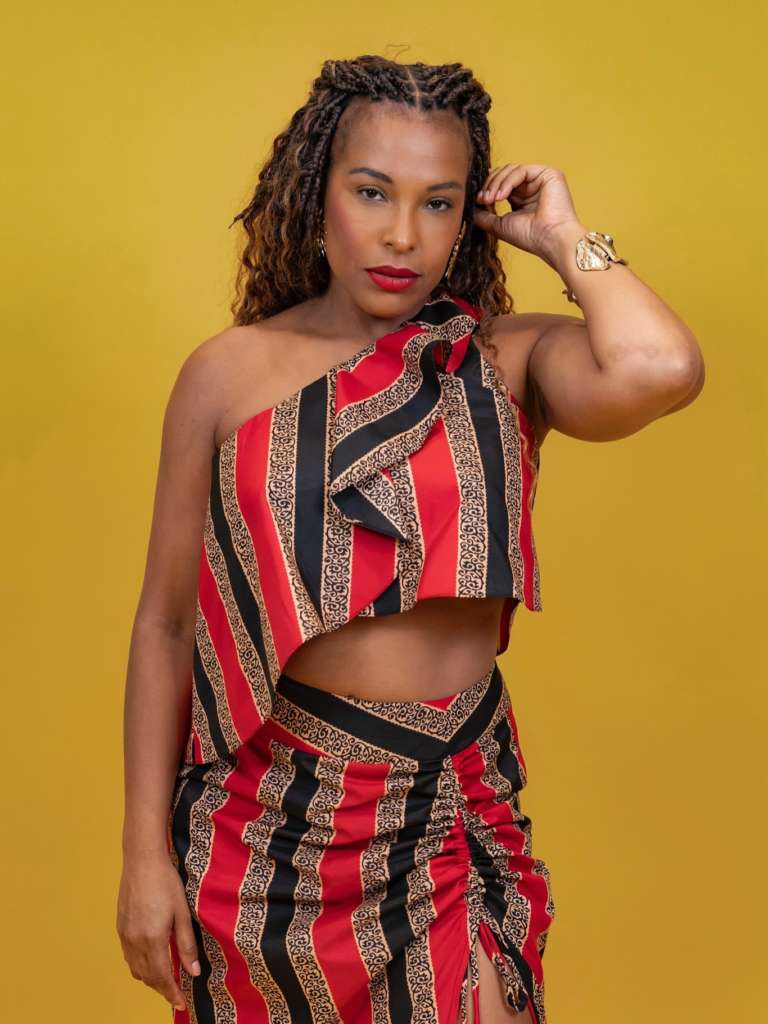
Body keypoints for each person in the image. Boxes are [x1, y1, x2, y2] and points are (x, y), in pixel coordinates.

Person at [116, 54, 705, 1024]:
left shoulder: (503, 358)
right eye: (372, 192)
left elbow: (662, 367)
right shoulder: (224, 375)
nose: (402, 234)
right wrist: (143, 855)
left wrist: (563, 237)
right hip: (266, 834)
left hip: (447, 816)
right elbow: (166, 624)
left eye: (438, 203)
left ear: (470, 214)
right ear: (318, 194)